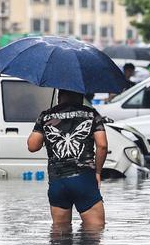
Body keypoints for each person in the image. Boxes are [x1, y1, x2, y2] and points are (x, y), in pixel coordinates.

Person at [27, 89, 108, 228]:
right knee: (95, 231)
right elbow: (102, 145)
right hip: (84, 179)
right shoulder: (91, 114)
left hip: (58, 181)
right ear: (81, 96)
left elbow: (32, 146)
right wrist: (98, 172)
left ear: (60, 95)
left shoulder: (46, 116)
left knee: (60, 234)